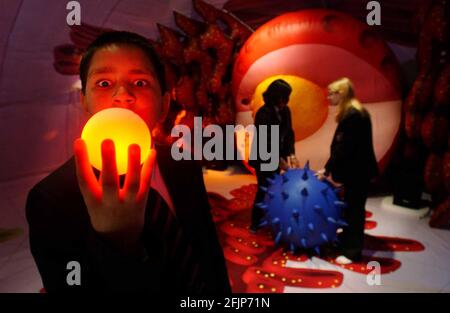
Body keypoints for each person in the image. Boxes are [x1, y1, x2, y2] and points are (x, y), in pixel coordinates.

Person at [26, 31, 230, 293]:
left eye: (141, 83)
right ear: (84, 102)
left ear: (164, 105)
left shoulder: (182, 162)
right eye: (103, 84)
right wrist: (118, 242)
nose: (122, 95)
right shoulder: (50, 200)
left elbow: (207, 250)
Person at [316, 77, 379, 265]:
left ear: (341, 93)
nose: (328, 97)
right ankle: (347, 240)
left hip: (358, 172)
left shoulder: (354, 115)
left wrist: (327, 170)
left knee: (355, 211)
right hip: (356, 171)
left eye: (331, 93)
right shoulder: (353, 112)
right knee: (351, 208)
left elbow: (344, 148)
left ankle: (352, 252)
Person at [249, 79, 298, 233]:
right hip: (263, 157)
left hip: (277, 155)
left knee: (275, 187)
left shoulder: (286, 111)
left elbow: (289, 133)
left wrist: (291, 154)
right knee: (264, 189)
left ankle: (272, 216)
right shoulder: (263, 113)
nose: (285, 101)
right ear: (274, 96)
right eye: (282, 97)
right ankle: (255, 222)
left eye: (287, 98)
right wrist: (278, 160)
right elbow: (266, 142)